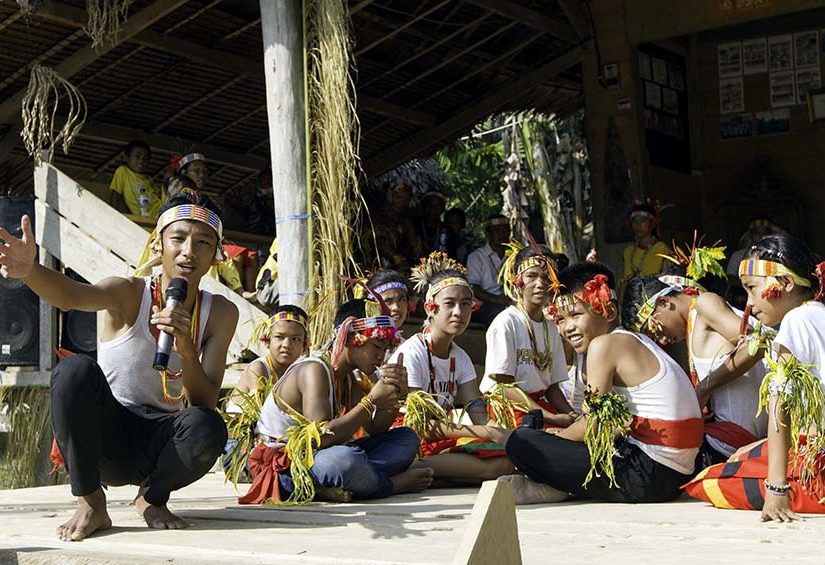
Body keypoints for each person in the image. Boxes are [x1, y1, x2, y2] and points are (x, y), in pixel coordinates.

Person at [0, 192, 238, 541]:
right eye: (178, 238)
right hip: (106, 436)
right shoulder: (128, 291)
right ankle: (91, 502)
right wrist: (31, 271)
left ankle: (151, 497)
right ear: (157, 244)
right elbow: (72, 295)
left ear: (216, 255)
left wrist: (187, 350)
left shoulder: (220, 313)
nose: (189, 251)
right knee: (74, 371)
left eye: (203, 242)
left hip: (161, 442)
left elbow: (205, 402)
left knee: (208, 426)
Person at [503, 262, 703, 504]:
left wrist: (556, 440)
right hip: (675, 475)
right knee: (544, 437)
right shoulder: (635, 340)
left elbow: (594, 424)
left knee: (522, 441)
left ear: (608, 311)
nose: (568, 327)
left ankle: (556, 485)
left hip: (650, 474)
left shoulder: (604, 345)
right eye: (561, 319)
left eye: (576, 315)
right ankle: (561, 484)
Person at [685, 234, 825, 522]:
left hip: (816, 462)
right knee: (744, 453)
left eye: (752, 288)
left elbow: (781, 403)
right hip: (812, 446)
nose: (748, 303)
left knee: (710, 480)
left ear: (785, 283)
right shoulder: (817, 313)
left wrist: (776, 489)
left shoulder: (796, 320)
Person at [239, 300, 433, 504]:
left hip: (319, 458)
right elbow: (321, 439)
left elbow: (375, 428)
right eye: (376, 346)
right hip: (284, 467)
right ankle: (390, 485)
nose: (380, 356)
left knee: (406, 439)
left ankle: (343, 484)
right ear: (349, 338)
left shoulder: (349, 378)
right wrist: (370, 401)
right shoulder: (314, 370)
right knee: (345, 460)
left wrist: (397, 394)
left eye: (385, 349)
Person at [390, 252, 514, 485]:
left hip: (439, 440)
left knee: (508, 458)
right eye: (449, 304)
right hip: (407, 442)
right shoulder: (412, 353)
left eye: (466, 304)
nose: (459, 312)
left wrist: (502, 433)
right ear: (430, 308)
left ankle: (433, 476)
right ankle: (410, 470)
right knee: (498, 466)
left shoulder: (460, 357)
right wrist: (487, 433)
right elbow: (420, 426)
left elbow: (477, 412)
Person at [623, 271, 767, 468]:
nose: (662, 340)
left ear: (664, 302)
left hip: (726, 443)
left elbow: (757, 345)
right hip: (727, 442)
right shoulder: (695, 320)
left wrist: (703, 389)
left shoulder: (704, 303)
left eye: (655, 330)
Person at [480, 242, 575, 428]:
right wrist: (551, 417)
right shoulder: (506, 322)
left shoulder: (551, 328)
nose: (540, 284)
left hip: (538, 406)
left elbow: (552, 387)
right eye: (531, 276)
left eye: (547, 277)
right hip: (509, 406)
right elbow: (505, 386)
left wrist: (572, 415)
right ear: (517, 280)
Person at [222, 305, 309, 481]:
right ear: (267, 340)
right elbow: (264, 420)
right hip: (241, 451)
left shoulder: (300, 372)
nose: (287, 345)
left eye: (295, 339)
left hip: (278, 444)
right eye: (279, 337)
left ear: (305, 345)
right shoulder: (259, 369)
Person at [466, 215, 512, 325]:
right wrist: (496, 299)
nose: (502, 234)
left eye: (505, 230)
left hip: (511, 300)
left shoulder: (514, 255)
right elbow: (472, 286)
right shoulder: (476, 257)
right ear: (488, 233)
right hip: (486, 302)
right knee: (499, 313)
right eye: (497, 230)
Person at [108, 140, 163, 217]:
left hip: (158, 216)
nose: (141, 161)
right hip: (144, 219)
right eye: (137, 156)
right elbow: (115, 195)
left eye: (145, 158)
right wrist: (114, 216)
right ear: (127, 158)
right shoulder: (123, 171)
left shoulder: (149, 179)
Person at [621, 203, 670, 284]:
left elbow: (667, 279)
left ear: (652, 224)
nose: (638, 225)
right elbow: (624, 281)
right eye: (635, 221)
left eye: (643, 221)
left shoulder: (661, 249)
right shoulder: (628, 252)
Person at [366, 269, 411, 344]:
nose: (396, 307)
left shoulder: (408, 346)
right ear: (370, 306)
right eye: (387, 301)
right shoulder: (363, 343)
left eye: (402, 299)